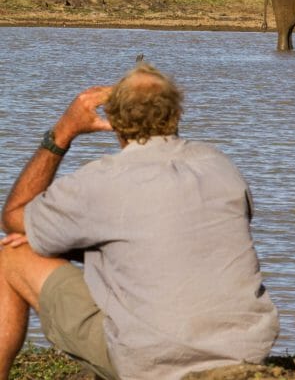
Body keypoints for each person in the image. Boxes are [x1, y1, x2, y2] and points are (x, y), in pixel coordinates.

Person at [0, 63, 279, 380]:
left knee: (11, 254)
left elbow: (13, 216)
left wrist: (63, 131)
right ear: (176, 113)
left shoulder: (102, 180)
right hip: (246, 351)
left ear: (113, 121)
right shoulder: (220, 166)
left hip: (150, 362)